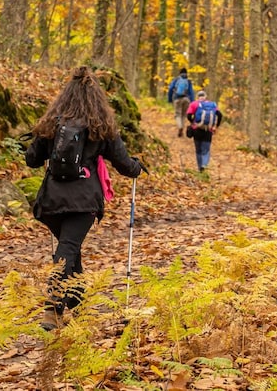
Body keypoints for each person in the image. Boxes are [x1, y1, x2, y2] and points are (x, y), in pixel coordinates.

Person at [25, 66, 145, 331]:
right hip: (83, 201)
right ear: (97, 98)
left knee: (71, 251)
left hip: (51, 203)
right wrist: (138, 167)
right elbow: (124, 164)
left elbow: (32, 160)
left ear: (65, 96)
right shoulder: (100, 125)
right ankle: (53, 308)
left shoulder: (52, 122)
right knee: (68, 249)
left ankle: (80, 313)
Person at [186, 90, 222, 172]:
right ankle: (204, 165)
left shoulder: (194, 104)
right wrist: (216, 126)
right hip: (208, 130)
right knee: (206, 150)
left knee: (198, 150)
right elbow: (219, 115)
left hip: (197, 130)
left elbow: (188, 115)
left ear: (197, 97)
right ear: (206, 97)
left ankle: (200, 169)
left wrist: (192, 123)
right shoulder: (212, 104)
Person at [166, 68, 195, 137]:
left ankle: (180, 127)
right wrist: (192, 102)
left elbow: (170, 89)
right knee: (184, 115)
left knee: (177, 114)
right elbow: (191, 92)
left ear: (180, 73)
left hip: (177, 99)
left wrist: (170, 99)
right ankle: (182, 129)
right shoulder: (188, 81)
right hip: (186, 99)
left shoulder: (176, 80)